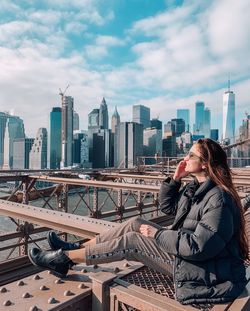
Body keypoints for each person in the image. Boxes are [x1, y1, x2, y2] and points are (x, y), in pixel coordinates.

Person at [28, 138, 248, 305]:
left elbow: (201, 247)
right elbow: (169, 208)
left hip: (207, 271)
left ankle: (65, 259)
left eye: (191, 155)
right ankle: (75, 248)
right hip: (193, 258)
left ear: (205, 164)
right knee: (134, 223)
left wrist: (159, 235)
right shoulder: (197, 189)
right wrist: (174, 180)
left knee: (134, 240)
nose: (185, 158)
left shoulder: (219, 198)